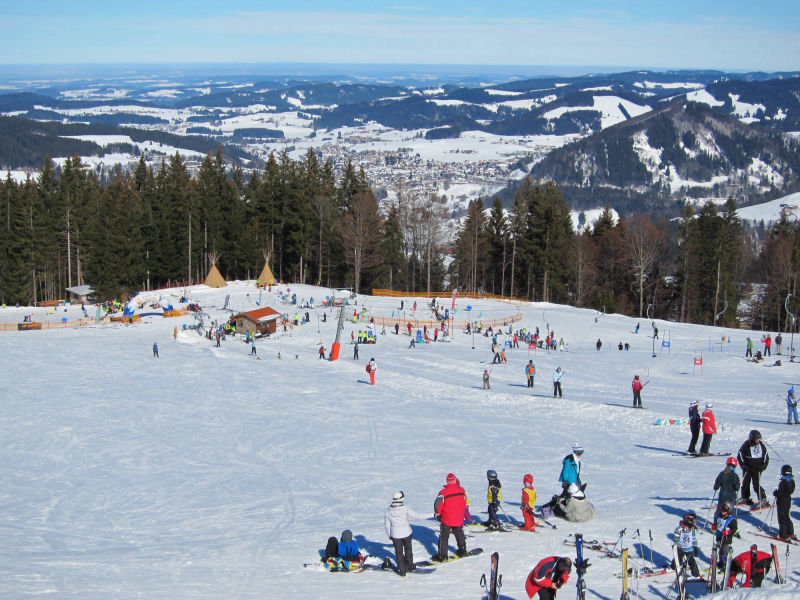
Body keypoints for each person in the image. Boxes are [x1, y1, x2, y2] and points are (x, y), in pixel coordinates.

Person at [384, 491, 427, 576]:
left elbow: (387, 525)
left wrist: (389, 535)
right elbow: (418, 516)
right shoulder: (405, 509)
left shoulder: (388, 511)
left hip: (395, 535)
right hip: (406, 533)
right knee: (408, 549)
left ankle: (401, 570)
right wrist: (433, 514)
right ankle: (410, 566)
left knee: (398, 552)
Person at [433, 473, 468, 561]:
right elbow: (464, 503)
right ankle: (462, 550)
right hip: (459, 517)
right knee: (459, 533)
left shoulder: (443, 492)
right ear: (455, 480)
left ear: (447, 481)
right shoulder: (461, 490)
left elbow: (438, 504)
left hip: (447, 518)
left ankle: (442, 556)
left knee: (444, 537)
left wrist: (438, 513)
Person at [737, 429, 769, 506]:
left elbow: (766, 457)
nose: (758, 440)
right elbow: (739, 456)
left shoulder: (761, 445)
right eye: (757, 439)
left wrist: (763, 466)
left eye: (759, 439)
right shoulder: (746, 445)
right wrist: (743, 466)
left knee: (756, 485)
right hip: (747, 468)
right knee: (745, 484)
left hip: (757, 469)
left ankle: (763, 499)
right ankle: (745, 497)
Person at [672, 510, 700, 577]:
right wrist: (679, 547)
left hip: (689, 549)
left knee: (692, 561)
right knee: (678, 559)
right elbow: (676, 539)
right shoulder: (679, 529)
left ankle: (696, 574)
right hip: (681, 548)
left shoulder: (692, 529)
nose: (693, 523)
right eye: (692, 521)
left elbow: (693, 538)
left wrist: (695, 546)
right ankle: (672, 567)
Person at [712, 500, 738, 568]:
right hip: (719, 536)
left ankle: (728, 563)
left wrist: (728, 531)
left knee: (724, 550)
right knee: (720, 550)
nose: (723, 513)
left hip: (726, 538)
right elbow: (717, 523)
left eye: (725, 511)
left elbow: (734, 528)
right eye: (722, 511)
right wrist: (714, 526)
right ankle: (721, 562)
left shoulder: (731, 519)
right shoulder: (719, 516)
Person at [773, 464, 796, 541]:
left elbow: (781, 493)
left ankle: (783, 534)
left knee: (781, 517)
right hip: (788, 500)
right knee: (786, 516)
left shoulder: (783, 482)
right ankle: (790, 532)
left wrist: (776, 493)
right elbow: (790, 491)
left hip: (782, 501)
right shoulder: (792, 481)